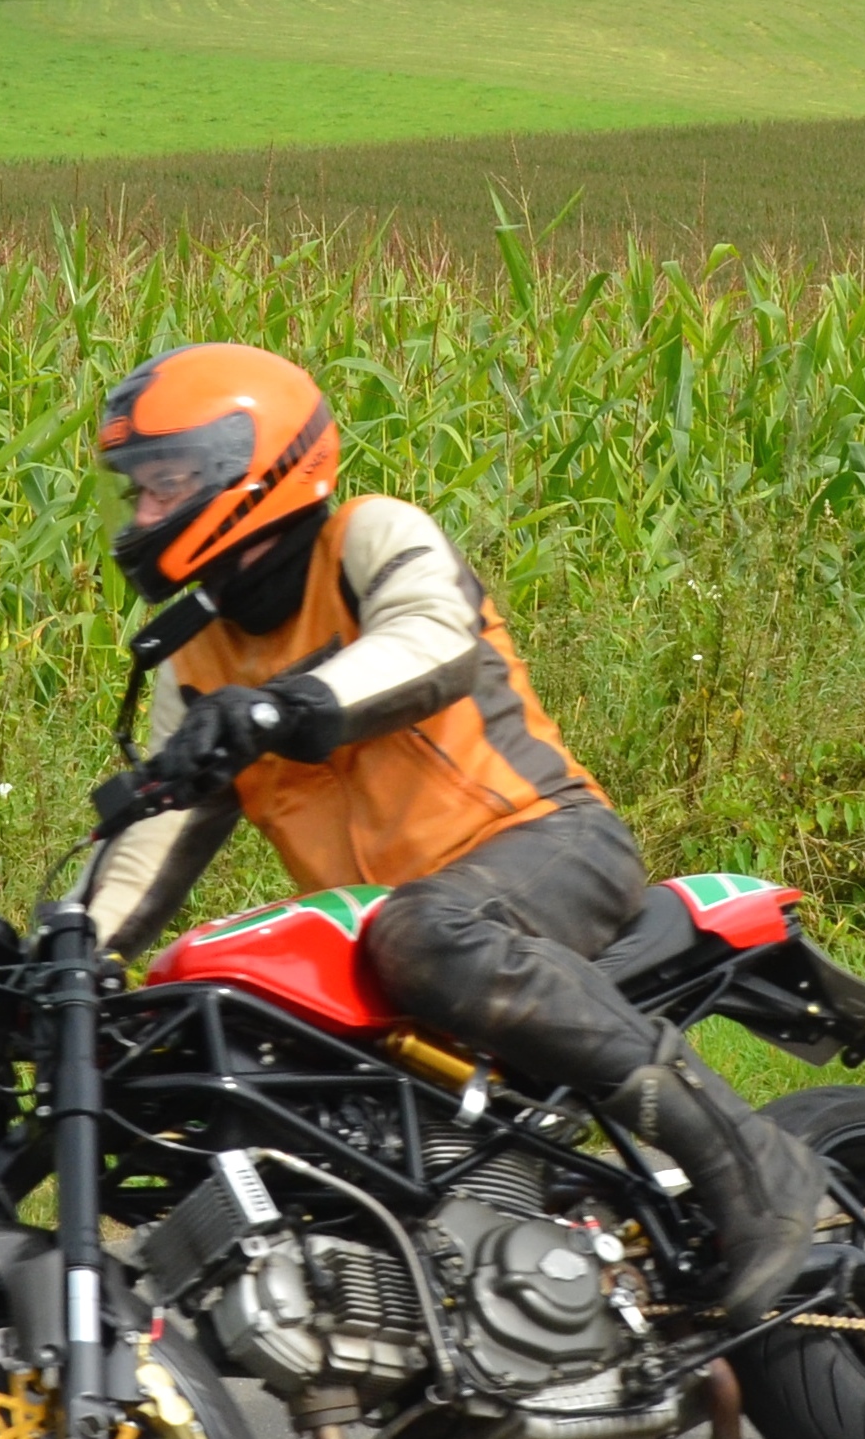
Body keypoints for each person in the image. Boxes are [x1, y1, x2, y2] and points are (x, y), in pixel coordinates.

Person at [82, 342, 821, 1314]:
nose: (143, 513)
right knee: (206, 1027)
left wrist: (275, 707)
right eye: (136, 491)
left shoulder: (367, 538)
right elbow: (154, 836)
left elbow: (429, 642)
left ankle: (755, 1164)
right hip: (391, 934)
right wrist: (68, 954)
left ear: (247, 471)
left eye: (164, 482)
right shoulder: (201, 664)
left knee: (425, 930)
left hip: (546, 846)